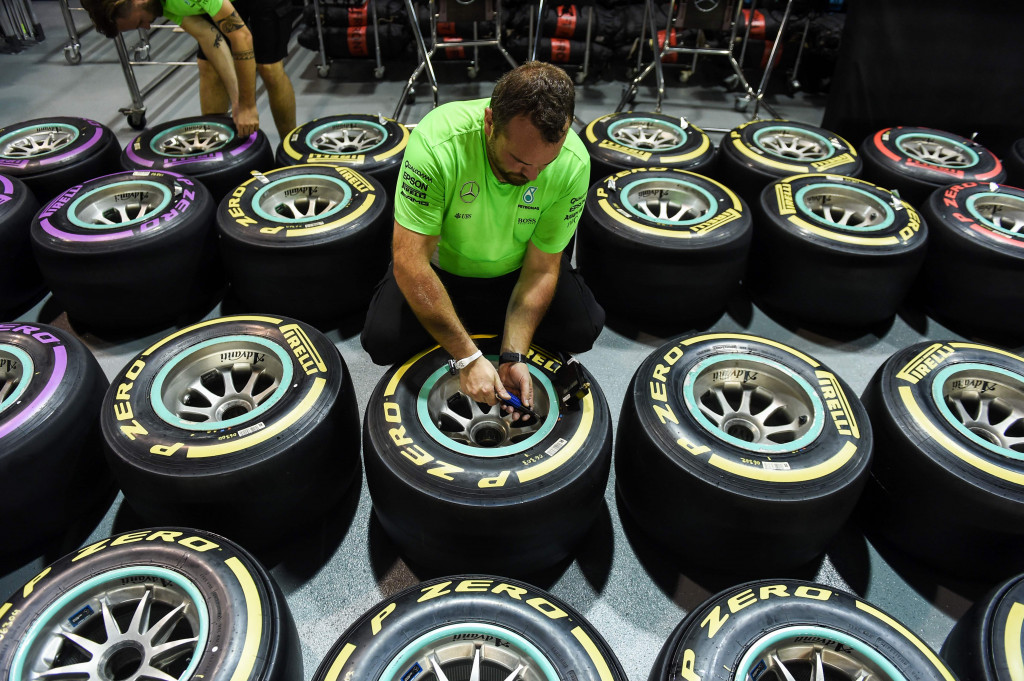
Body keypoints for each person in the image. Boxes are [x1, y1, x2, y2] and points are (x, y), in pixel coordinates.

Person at [360, 61, 605, 415]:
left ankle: (482, 329)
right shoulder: (436, 142)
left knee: (584, 328)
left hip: (516, 273)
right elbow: (410, 261)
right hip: (442, 270)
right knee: (381, 340)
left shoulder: (573, 163)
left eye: (544, 164)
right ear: (490, 123)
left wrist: (513, 354)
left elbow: (542, 267)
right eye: (520, 161)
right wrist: (467, 357)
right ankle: (471, 329)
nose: (532, 175)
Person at [81, 0, 296, 139]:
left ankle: (292, 153)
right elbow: (208, 36)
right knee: (209, 66)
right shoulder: (159, 4)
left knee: (269, 67)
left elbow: (241, 36)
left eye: (139, 23)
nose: (147, 27)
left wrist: (248, 106)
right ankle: (217, 148)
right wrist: (237, 100)